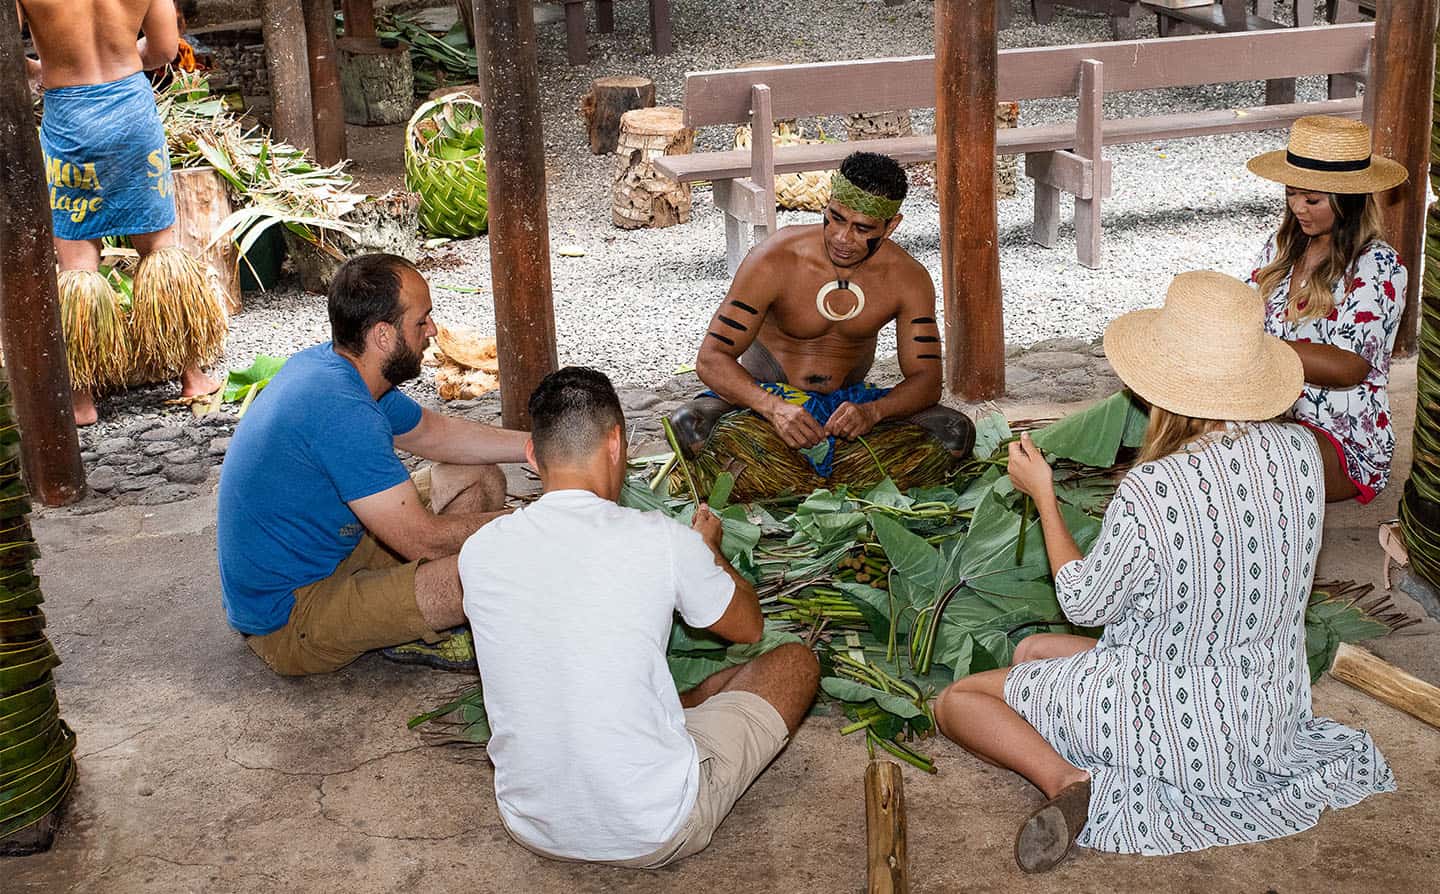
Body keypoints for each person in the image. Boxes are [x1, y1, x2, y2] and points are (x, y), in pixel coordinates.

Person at [934, 271, 1394, 873]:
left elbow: (1084, 603)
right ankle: (1082, 736)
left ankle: (1070, 782)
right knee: (1032, 651)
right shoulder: (1301, 454)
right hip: (1265, 711)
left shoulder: (1155, 488)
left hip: (1172, 725)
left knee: (957, 701)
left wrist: (1044, 498)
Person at [460, 367, 820, 868]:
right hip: (653, 828)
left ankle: (677, 717)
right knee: (795, 662)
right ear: (616, 445)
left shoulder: (478, 552)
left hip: (530, 822)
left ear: (531, 455)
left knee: (681, 681)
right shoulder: (661, 540)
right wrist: (708, 551)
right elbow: (748, 627)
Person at [217, 254, 529, 675]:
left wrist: (538, 448)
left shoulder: (335, 368)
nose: (432, 331)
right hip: (292, 618)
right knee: (492, 568)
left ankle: (411, 614)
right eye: (422, 321)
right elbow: (424, 541)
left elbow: (435, 434)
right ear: (384, 335)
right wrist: (534, 523)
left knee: (477, 475)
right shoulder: (342, 411)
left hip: (333, 554)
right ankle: (416, 624)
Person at [669, 151, 975, 485]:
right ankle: (841, 476)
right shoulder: (775, 259)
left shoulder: (907, 278)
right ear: (825, 206)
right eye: (837, 218)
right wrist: (772, 407)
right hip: (761, 403)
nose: (843, 238)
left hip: (848, 407)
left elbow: (927, 382)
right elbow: (711, 360)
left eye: (862, 229)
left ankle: (790, 477)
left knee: (955, 433)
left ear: (891, 226)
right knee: (688, 426)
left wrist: (873, 412)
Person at [20, 0, 226, 426]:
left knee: (77, 265)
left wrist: (38, 70)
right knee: (159, 249)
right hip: (131, 110)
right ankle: (192, 376)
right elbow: (166, 50)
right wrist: (127, 57)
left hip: (70, 117)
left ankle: (81, 400)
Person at [1246, 115, 1408, 503]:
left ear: (1347, 200)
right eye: (1291, 193)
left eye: (1312, 199)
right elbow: (1245, 310)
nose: (1297, 207)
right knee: (1162, 423)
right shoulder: (1282, 247)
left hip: (1340, 434)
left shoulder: (1377, 266)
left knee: (1245, 472)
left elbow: (1349, 366)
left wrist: (1254, 346)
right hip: (1268, 410)